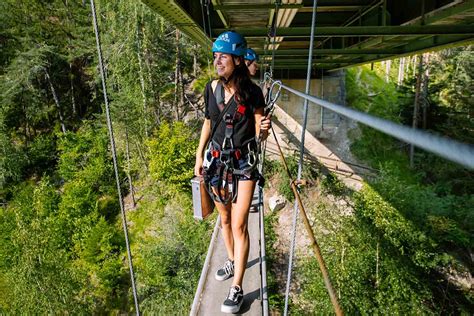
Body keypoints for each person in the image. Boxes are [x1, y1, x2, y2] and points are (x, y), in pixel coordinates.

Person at [194, 31, 271, 314]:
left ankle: (237, 286)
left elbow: (260, 131)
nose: (218, 61)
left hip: (243, 164)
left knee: (239, 225)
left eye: (223, 56)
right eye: (215, 56)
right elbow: (207, 123)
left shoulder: (253, 93)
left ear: (238, 60)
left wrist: (263, 130)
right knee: (224, 219)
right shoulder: (211, 89)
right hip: (216, 163)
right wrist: (199, 155)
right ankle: (231, 258)